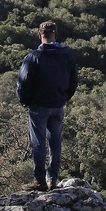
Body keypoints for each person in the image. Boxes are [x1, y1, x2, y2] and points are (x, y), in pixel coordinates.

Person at [16, 20, 78, 191]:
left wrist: (25, 101)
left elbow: (23, 84)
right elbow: (74, 81)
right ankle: (54, 180)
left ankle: (40, 181)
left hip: (38, 107)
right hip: (58, 105)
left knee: (38, 143)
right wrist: (64, 97)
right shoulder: (67, 56)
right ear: (56, 35)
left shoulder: (34, 57)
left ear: (39, 35)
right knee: (55, 142)